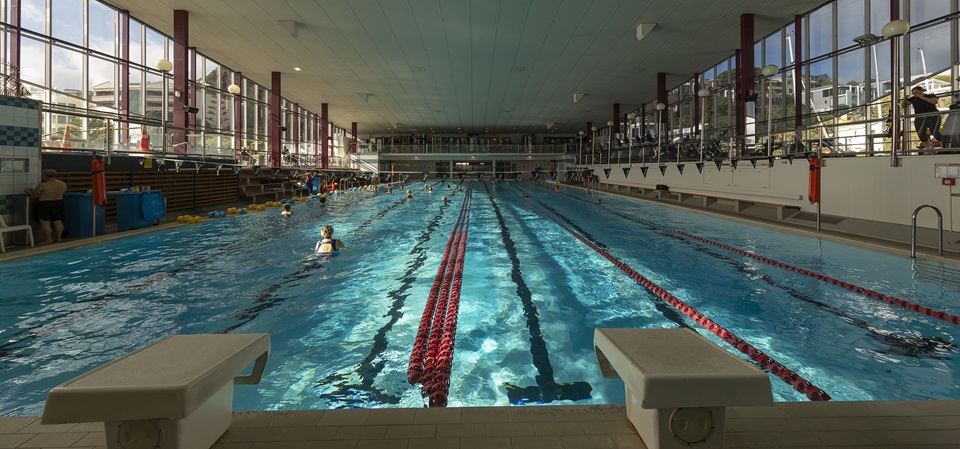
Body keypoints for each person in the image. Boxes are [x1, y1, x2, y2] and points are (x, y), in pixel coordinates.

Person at [24, 169, 67, 244]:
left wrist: (26, 190)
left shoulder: (43, 185)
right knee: (57, 221)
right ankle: (59, 238)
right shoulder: (62, 184)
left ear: (45, 176)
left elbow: (31, 194)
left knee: (45, 222)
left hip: (46, 203)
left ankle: (49, 239)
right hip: (59, 203)